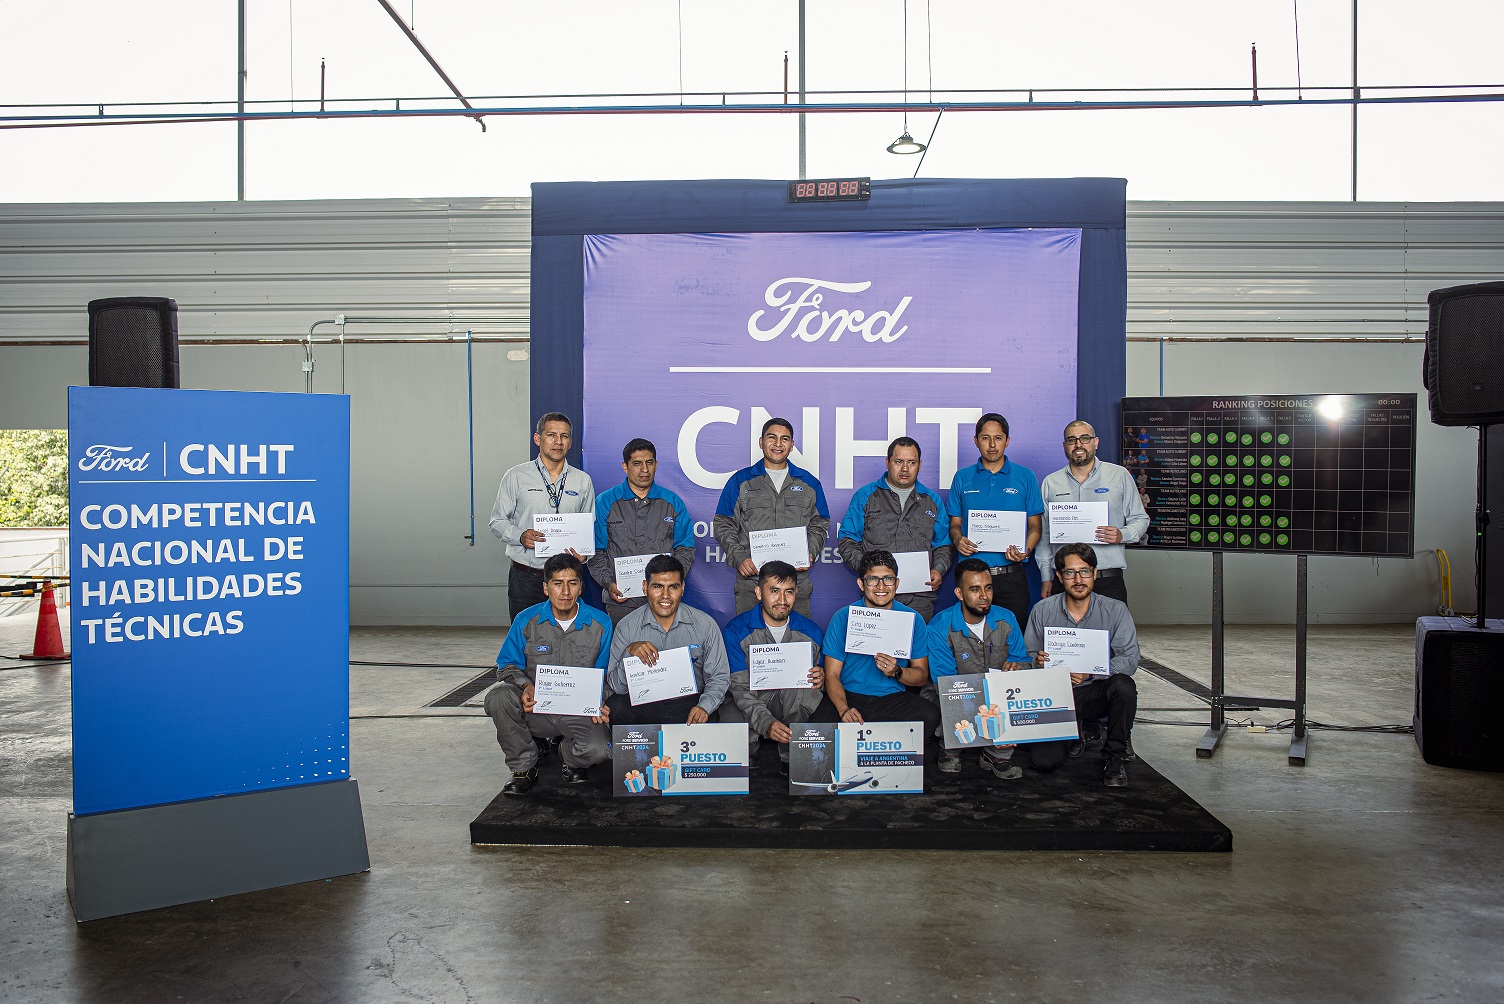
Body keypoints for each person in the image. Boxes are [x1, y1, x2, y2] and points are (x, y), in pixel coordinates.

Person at [482, 554, 612, 796]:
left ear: (581, 587)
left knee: (599, 750)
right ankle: (524, 768)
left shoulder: (601, 623)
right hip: (535, 709)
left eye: (572, 583)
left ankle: (569, 756)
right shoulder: (526, 620)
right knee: (498, 696)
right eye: (557, 583)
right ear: (545, 587)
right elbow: (506, 665)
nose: (565, 591)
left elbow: (606, 674)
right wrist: (524, 687)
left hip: (577, 712)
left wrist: (600, 699)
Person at [1023, 542, 1140, 787]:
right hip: (1053, 697)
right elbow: (1026, 656)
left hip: (1092, 692)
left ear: (1095, 573)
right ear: (1059, 577)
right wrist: (1037, 661)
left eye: (1085, 571)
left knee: (1123, 686)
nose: (1078, 579)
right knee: (1044, 763)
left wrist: (1092, 673)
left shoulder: (1115, 610)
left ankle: (1115, 755)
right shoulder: (1042, 610)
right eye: (1070, 573)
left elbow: (1130, 658)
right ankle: (1076, 730)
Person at [821, 550, 940, 758]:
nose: (881, 587)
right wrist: (843, 710)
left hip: (891, 699)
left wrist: (897, 672)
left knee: (929, 715)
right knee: (816, 726)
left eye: (888, 579)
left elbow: (921, 676)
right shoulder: (843, 617)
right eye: (873, 580)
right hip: (850, 695)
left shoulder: (912, 619)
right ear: (861, 584)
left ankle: (877, 753)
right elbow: (831, 675)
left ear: (897, 583)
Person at [713, 416, 830, 618]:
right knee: (749, 644)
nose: (778, 444)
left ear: (792, 445)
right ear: (761, 442)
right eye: (772, 437)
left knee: (797, 644)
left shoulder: (809, 483)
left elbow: (820, 523)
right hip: (753, 583)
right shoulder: (740, 481)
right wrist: (740, 558)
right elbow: (723, 523)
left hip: (795, 583)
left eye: (785, 439)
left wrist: (809, 552)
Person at [926, 557, 1031, 778]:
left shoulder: (1007, 619)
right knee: (946, 696)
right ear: (959, 594)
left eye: (988, 588)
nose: (984, 596)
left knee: (1014, 694)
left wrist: (1018, 667)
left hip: (997, 697)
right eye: (975, 589)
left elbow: (1023, 660)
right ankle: (950, 748)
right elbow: (945, 683)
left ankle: (995, 754)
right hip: (956, 694)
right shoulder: (939, 627)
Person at [720, 560, 826, 775]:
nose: (782, 600)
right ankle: (748, 753)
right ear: (759, 593)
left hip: (789, 698)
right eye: (774, 591)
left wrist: (820, 676)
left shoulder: (811, 631)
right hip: (751, 696)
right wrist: (766, 723)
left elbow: (818, 680)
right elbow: (739, 688)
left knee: (808, 693)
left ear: (796, 592)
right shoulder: (736, 630)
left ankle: (790, 755)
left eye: (789, 592)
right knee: (731, 719)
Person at [489, 412, 597, 620]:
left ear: (571, 442)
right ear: (538, 438)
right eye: (551, 435)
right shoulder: (516, 476)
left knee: (567, 641)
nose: (558, 442)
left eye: (564, 436)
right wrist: (520, 536)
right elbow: (497, 521)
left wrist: (586, 554)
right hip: (526, 577)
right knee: (526, 641)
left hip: (567, 581)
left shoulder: (582, 481)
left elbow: (590, 527)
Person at [605, 554, 730, 726]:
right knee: (616, 707)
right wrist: (629, 652)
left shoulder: (705, 625)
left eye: (673, 587)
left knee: (714, 714)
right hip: (644, 702)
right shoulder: (626, 627)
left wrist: (704, 707)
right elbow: (617, 687)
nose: (665, 595)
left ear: (683, 588)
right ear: (645, 587)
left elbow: (719, 677)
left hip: (689, 704)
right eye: (657, 586)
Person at [837, 436, 952, 622]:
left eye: (911, 462)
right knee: (874, 650)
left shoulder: (932, 501)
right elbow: (847, 540)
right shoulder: (865, 496)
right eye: (898, 462)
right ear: (887, 462)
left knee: (916, 649)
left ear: (920, 464)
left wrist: (938, 570)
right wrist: (870, 572)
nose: (905, 468)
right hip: (877, 594)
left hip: (919, 598)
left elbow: (943, 544)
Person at [1036, 420, 1150, 606]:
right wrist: (1046, 577)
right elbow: (1045, 536)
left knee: (1112, 634)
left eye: (1084, 438)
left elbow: (1140, 518)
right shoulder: (1051, 482)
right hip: (1065, 580)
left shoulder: (1119, 476)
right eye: (1072, 440)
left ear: (1095, 442)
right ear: (1064, 446)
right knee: (1067, 635)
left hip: (1108, 579)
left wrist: (1122, 534)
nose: (1078, 444)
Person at [947, 412, 1044, 630]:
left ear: (1007, 441)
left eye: (998, 438)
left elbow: (1036, 526)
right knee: (971, 639)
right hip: (971, 577)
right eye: (985, 438)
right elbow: (954, 525)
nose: (992, 444)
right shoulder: (961, 477)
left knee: (1013, 639)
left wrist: (1025, 550)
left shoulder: (1025, 476)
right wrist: (958, 539)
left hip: (1011, 575)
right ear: (975, 441)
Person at [588, 437, 696, 624]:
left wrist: (669, 585)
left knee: (664, 652)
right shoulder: (605, 502)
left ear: (656, 464)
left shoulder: (673, 502)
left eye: (649, 463)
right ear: (625, 466)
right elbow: (595, 552)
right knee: (625, 651)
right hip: (621, 600)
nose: (644, 470)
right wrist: (609, 584)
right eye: (637, 463)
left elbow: (685, 548)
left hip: (664, 600)